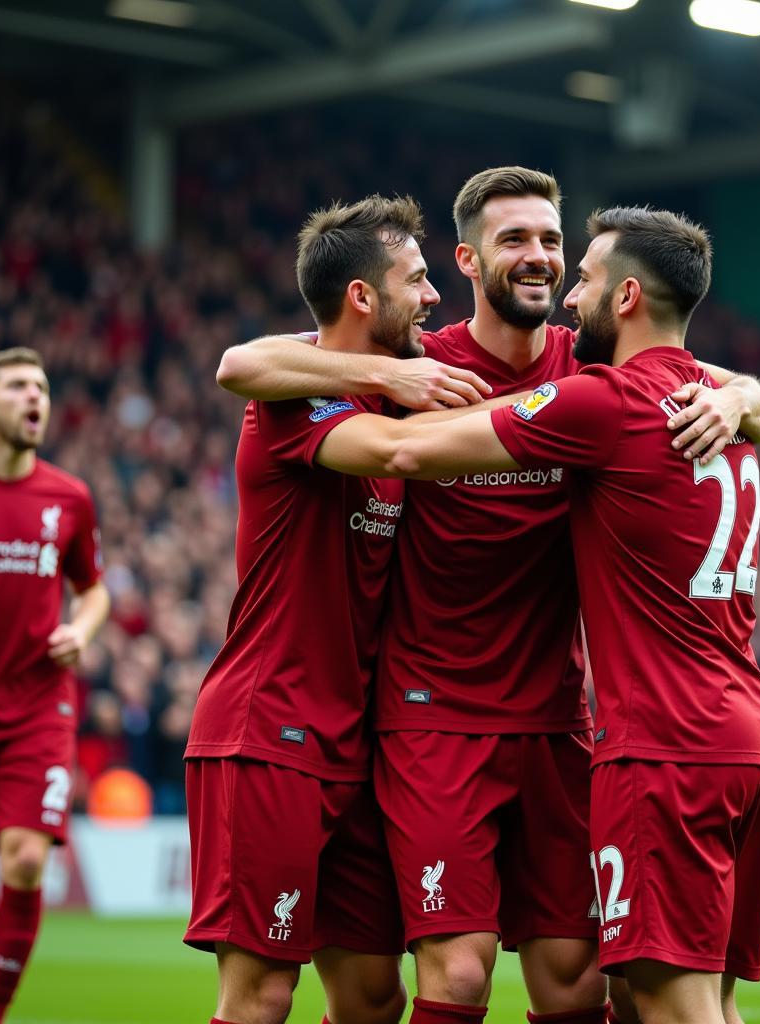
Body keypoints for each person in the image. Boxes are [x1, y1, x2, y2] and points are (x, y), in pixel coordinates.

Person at [217, 171, 760, 1024]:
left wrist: (745, 395)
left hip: (558, 721)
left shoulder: (587, 368)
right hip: (432, 714)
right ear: (469, 260)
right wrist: (390, 378)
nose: (540, 257)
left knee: (579, 980)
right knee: (461, 976)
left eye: (553, 242)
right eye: (515, 239)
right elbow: (247, 366)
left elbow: (719, 377)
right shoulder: (416, 362)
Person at [183, 195, 468, 1024]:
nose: (434, 296)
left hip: (361, 741)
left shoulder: (397, 384)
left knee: (375, 994)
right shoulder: (299, 394)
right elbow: (238, 361)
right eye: (418, 279)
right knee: (265, 992)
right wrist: (384, 373)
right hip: (269, 728)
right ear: (362, 298)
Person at [0, 348, 110, 1024]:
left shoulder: (69, 497)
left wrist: (82, 632)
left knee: (24, 862)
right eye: (20, 386)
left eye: (44, 388)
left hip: (37, 707)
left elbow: (94, 592)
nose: (36, 398)